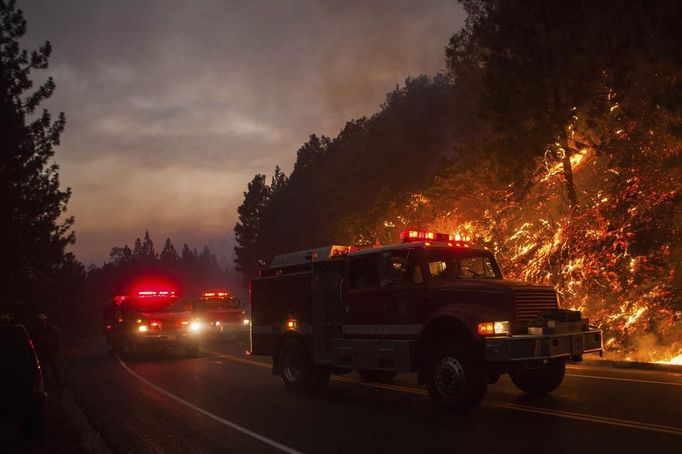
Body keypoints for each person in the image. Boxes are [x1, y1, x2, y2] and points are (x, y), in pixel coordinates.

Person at [30, 314, 67, 385]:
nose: (42, 322)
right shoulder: (35, 331)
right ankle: (46, 381)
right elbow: (32, 340)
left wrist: (57, 342)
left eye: (43, 320)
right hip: (42, 351)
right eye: (41, 321)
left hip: (51, 350)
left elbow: (57, 334)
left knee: (55, 366)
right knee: (44, 368)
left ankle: (59, 380)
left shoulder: (50, 328)